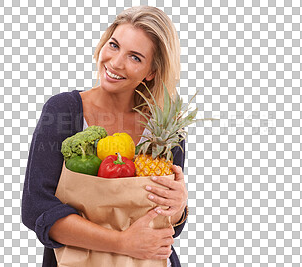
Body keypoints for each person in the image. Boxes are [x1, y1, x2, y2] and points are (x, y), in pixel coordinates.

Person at [22, 6, 188, 267]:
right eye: (114, 45)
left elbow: (169, 227)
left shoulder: (163, 127)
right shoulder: (64, 110)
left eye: (135, 57)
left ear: (151, 73)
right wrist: (121, 242)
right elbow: (36, 208)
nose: (116, 62)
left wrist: (178, 207)